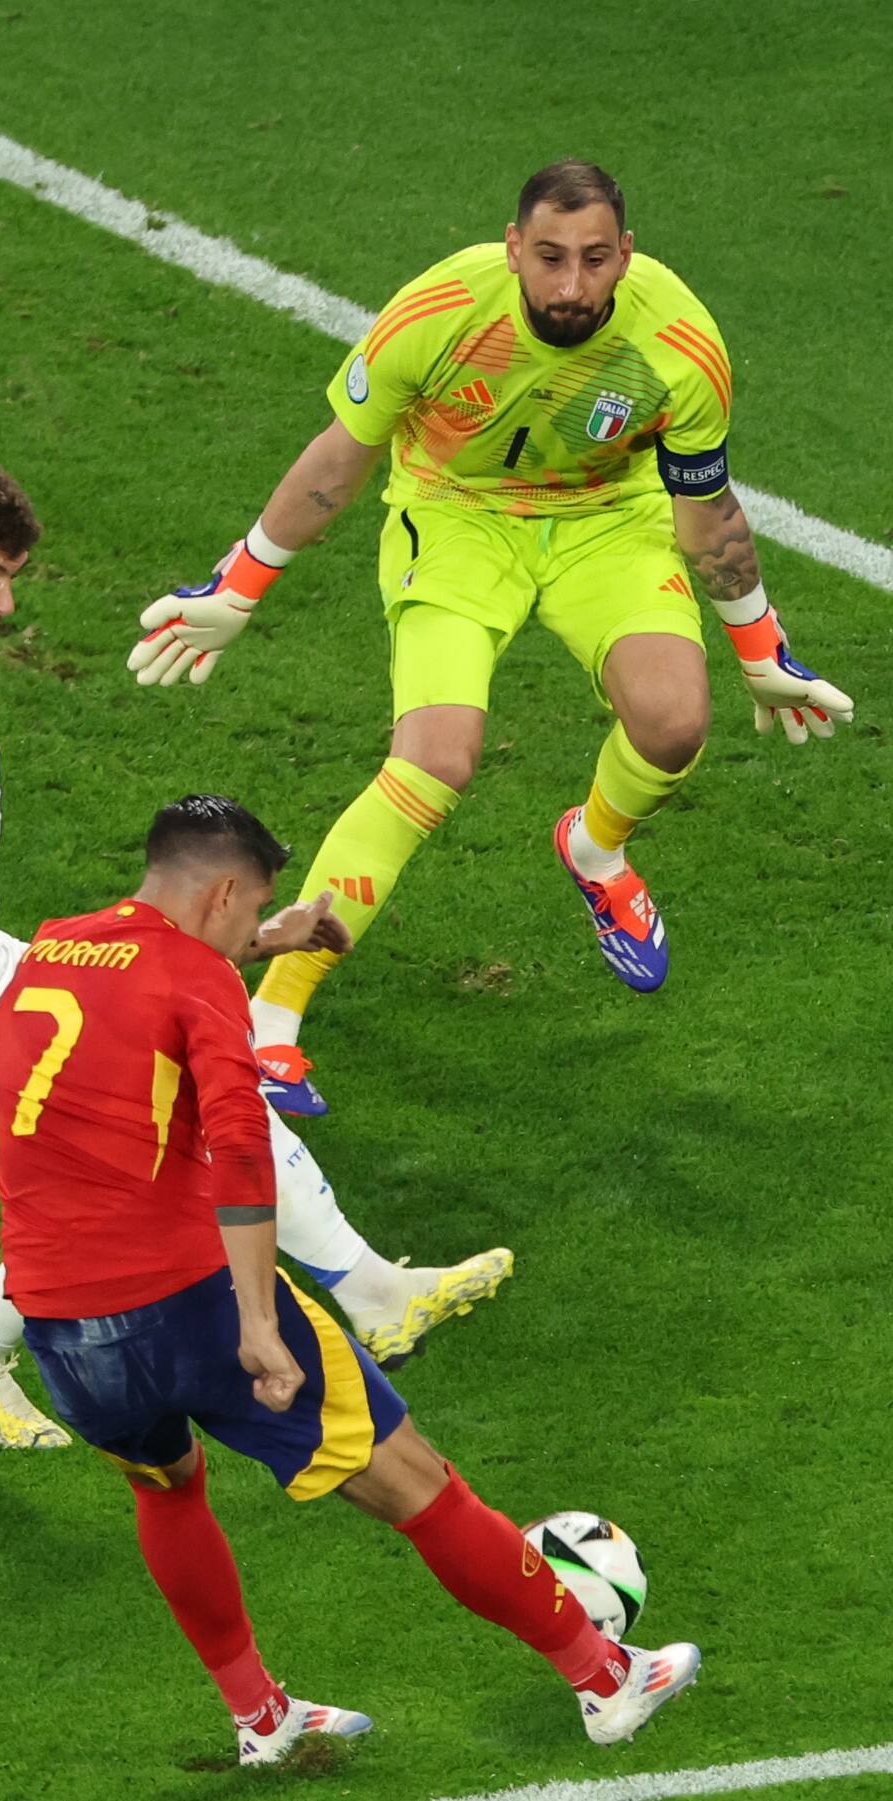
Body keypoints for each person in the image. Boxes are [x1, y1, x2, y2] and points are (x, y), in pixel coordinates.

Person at [0, 457, 510, 1453]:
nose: (6, 600)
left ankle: (372, 1293)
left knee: (161, 1126)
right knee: (141, 1185)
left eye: (11, 574)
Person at [128, 160, 853, 1117]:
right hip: (459, 517)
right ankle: (276, 1014)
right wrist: (245, 580)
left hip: (608, 521)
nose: (569, 284)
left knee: (675, 725)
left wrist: (759, 651)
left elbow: (703, 507)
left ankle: (595, 850)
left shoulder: (679, 342)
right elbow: (342, 457)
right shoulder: (440, 312)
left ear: (624, 255)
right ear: (513, 248)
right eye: (549, 257)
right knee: (437, 757)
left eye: (595, 260)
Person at [0, 794, 700, 1766]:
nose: (254, 934)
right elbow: (241, 1155)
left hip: (61, 1327)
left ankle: (261, 1717)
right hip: (188, 1302)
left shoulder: (51, 952)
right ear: (225, 891)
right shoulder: (193, 974)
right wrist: (253, 1319)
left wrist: (255, 942)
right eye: (254, 915)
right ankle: (607, 1680)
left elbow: (145, 984)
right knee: (419, 1483)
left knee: (166, 1489)